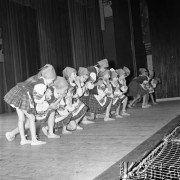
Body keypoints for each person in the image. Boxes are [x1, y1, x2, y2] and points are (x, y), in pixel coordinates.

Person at [4, 64, 56, 145]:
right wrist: (44, 98)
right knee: (31, 117)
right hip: (24, 95)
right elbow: (37, 99)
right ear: (48, 77)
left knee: (21, 119)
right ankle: (34, 140)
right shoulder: (42, 84)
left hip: (18, 93)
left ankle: (23, 140)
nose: (52, 82)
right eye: (52, 80)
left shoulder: (38, 78)